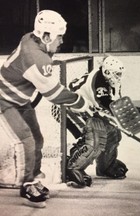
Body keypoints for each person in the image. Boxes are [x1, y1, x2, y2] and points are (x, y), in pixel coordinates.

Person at [0, 10, 93, 208]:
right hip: (4, 101)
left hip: (20, 100)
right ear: (46, 36)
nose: (61, 41)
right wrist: (80, 102)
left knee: (37, 139)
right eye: (59, 36)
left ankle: (33, 176)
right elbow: (54, 94)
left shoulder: (30, 38)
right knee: (26, 140)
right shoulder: (35, 57)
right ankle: (27, 185)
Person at [64, 55, 140, 186]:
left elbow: (115, 102)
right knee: (95, 137)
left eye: (120, 73)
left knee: (113, 133)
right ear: (107, 72)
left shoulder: (111, 80)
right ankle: (73, 167)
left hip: (88, 109)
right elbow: (105, 105)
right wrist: (130, 114)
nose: (119, 76)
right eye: (117, 74)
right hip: (69, 109)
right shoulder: (97, 81)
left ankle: (105, 166)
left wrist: (133, 111)